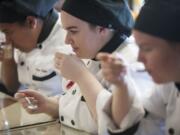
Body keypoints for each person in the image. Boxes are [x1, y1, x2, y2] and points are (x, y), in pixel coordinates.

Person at [15, 0, 150, 134]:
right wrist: (48, 105)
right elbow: (82, 108)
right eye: (66, 31)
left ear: (102, 28)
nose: (67, 40)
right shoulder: (92, 51)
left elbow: (116, 126)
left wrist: (81, 76)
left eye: (73, 31)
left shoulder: (133, 64)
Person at [97, 0, 180, 134]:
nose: (139, 58)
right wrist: (121, 84)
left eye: (147, 48)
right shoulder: (169, 84)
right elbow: (139, 123)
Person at [0, 0, 72, 96]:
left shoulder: (68, 42)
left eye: (7, 32)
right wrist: (8, 56)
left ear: (31, 22)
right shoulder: (24, 37)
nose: (7, 40)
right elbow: (11, 87)